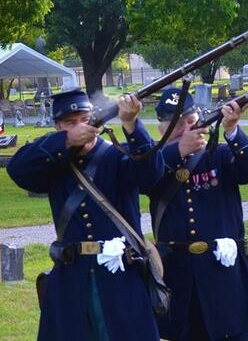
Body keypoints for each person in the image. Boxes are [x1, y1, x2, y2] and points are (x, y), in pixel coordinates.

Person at [7, 89, 164, 341]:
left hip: (120, 275)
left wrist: (131, 123)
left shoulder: (118, 155)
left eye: (85, 119)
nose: (80, 127)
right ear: (59, 127)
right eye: (70, 123)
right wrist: (67, 141)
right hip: (72, 277)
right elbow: (18, 169)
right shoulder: (53, 161)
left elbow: (152, 175)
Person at [144, 88, 248, 341]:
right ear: (161, 128)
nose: (186, 128)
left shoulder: (218, 154)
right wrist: (178, 150)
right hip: (179, 274)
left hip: (223, 270)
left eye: (190, 121)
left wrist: (232, 129)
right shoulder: (154, 162)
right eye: (177, 124)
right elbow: (144, 179)